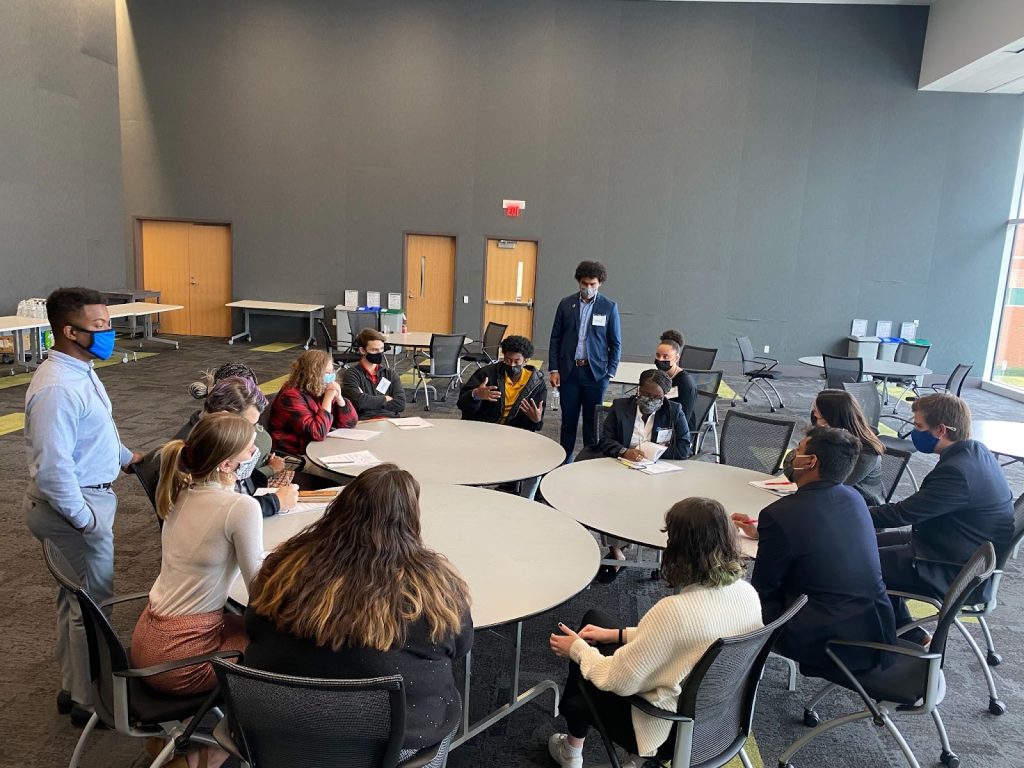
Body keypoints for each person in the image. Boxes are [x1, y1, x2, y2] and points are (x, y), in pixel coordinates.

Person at [244, 464, 473, 762]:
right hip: (390, 747)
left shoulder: (284, 567)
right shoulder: (431, 589)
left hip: (277, 732)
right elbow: (459, 645)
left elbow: (253, 625)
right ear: (410, 520)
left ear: (341, 508)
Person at [547, 498, 762, 767]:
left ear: (680, 549)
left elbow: (618, 680)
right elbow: (687, 638)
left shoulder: (674, 611)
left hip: (668, 731)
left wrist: (577, 650)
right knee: (596, 622)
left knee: (583, 668)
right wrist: (617, 635)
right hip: (719, 720)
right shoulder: (747, 595)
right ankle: (582, 750)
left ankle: (572, 750)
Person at [24, 287, 141, 726]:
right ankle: (90, 702)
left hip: (84, 497)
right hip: (72, 505)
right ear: (69, 331)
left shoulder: (80, 369)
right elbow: (53, 469)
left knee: (73, 600)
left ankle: (74, 688)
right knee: (92, 606)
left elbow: (96, 432)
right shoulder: (57, 388)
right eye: (100, 327)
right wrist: (86, 521)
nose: (109, 333)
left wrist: (126, 457)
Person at [734, 427, 896, 676]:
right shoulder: (853, 497)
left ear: (810, 461)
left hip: (825, 636)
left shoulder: (781, 514)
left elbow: (764, 589)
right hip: (875, 627)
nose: (792, 456)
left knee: (730, 599)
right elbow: (823, 534)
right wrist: (765, 533)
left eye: (797, 450)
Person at [130, 413, 262, 697]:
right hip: (179, 661)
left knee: (245, 625)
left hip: (147, 641)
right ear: (226, 464)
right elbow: (260, 592)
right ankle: (236, 732)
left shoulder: (179, 492)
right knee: (279, 645)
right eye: (250, 449)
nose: (255, 453)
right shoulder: (240, 508)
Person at [870, 393, 1014, 642]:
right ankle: (908, 630)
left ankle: (881, 637)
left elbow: (902, 513)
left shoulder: (957, 472)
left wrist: (847, 511)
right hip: (953, 544)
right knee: (865, 543)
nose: (914, 432)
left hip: (956, 569)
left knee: (860, 562)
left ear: (941, 430)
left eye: (918, 426)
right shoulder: (975, 451)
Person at [177, 376, 299, 516]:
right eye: (248, 425)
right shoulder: (192, 453)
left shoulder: (222, 440)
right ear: (226, 417)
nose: (254, 432)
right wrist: (274, 502)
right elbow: (216, 512)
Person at [457, 335, 547, 498]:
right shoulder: (486, 374)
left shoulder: (536, 383)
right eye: (507, 360)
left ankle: (525, 499)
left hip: (516, 437)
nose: (511, 365)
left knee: (539, 463)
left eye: (516, 361)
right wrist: (476, 395)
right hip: (483, 433)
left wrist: (536, 420)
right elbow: (462, 403)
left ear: (526, 361)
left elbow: (536, 424)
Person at [549, 260, 621, 461]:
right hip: (569, 372)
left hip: (595, 374)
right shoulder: (566, 304)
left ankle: (590, 461)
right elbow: (555, 338)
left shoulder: (609, 307)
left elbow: (615, 343)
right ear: (578, 282)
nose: (588, 288)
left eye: (593, 284)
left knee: (592, 423)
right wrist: (554, 368)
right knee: (568, 421)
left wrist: (610, 373)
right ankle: (564, 460)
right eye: (584, 284)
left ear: (600, 283)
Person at [781, 389, 885, 505]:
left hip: (861, 508)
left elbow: (833, 486)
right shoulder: (829, 438)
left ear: (832, 419)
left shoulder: (866, 453)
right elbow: (794, 463)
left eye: (818, 416)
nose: (815, 421)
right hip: (830, 500)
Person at [267, 349, 357, 456]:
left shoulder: (320, 388)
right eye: (327, 373)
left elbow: (350, 423)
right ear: (312, 374)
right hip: (296, 453)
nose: (331, 376)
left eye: (332, 371)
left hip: (319, 446)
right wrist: (327, 400)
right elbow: (317, 433)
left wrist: (340, 399)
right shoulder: (291, 395)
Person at [342, 328, 407, 419]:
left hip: (390, 420)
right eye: (374, 350)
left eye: (381, 349)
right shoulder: (352, 374)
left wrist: (368, 401)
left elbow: (400, 404)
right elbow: (359, 402)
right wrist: (385, 399)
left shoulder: (390, 374)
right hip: (365, 421)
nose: (379, 353)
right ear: (362, 350)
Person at [653, 330, 698, 429]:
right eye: (658, 355)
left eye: (666, 357)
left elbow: (683, 419)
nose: (660, 359)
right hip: (659, 421)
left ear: (676, 358)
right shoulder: (658, 375)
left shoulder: (686, 384)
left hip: (678, 431)